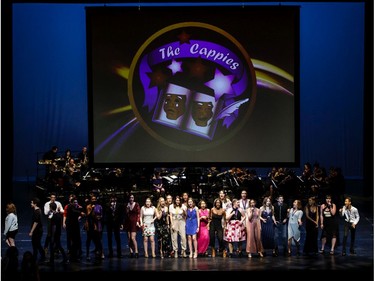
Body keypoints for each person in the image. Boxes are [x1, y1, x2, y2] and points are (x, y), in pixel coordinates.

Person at [47, 202, 69, 266]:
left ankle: (52, 261)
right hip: (58, 233)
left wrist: (53, 236)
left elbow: (54, 226)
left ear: (51, 208)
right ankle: (64, 258)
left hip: (55, 234)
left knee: (53, 246)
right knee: (58, 246)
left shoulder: (54, 216)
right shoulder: (58, 215)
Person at [29, 197, 46, 263]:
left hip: (37, 231)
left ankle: (41, 256)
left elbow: (36, 222)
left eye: (32, 203)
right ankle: (36, 256)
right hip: (38, 231)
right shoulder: (38, 210)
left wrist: (31, 231)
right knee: (36, 244)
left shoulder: (36, 211)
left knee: (36, 244)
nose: (31, 204)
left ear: (35, 204)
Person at [123, 194, 141, 258]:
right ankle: (131, 251)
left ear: (134, 198)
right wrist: (127, 209)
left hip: (134, 222)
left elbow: (139, 213)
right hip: (128, 222)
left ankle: (136, 251)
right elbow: (126, 214)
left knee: (133, 238)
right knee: (129, 239)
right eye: (130, 197)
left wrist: (137, 221)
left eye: (132, 197)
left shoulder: (136, 204)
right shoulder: (127, 205)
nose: (131, 199)